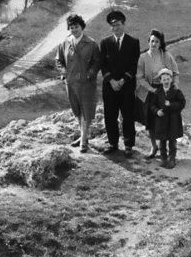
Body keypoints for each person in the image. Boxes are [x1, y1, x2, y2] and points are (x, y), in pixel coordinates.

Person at [55, 13, 101, 152]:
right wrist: (63, 73)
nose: (74, 30)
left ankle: (83, 142)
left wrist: (89, 74)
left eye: (76, 27)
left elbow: (97, 62)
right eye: (71, 27)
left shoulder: (91, 44)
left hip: (86, 84)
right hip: (71, 83)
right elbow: (58, 61)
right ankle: (83, 136)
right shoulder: (65, 43)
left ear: (82, 27)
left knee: (86, 110)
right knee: (76, 110)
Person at [99, 9, 141, 155]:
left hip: (127, 86)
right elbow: (102, 65)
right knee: (110, 115)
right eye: (112, 26)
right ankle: (113, 143)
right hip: (110, 87)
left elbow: (134, 65)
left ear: (124, 24)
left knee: (128, 115)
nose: (115, 28)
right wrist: (111, 81)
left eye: (117, 25)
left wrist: (122, 80)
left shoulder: (133, 42)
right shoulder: (105, 43)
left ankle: (128, 145)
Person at [136, 29, 179, 159]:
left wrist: (174, 88)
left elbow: (175, 73)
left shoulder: (166, 56)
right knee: (150, 120)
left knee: (165, 119)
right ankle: (154, 146)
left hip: (165, 90)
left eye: (157, 42)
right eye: (152, 41)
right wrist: (151, 89)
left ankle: (165, 149)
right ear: (148, 42)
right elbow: (140, 77)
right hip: (150, 91)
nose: (154, 44)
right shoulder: (143, 58)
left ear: (160, 44)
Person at [150, 68, 185, 167]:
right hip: (161, 121)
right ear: (160, 81)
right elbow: (152, 105)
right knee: (162, 141)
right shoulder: (157, 92)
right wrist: (157, 111)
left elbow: (182, 103)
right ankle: (163, 158)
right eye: (164, 79)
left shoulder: (176, 91)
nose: (166, 81)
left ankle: (172, 159)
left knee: (172, 141)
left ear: (171, 79)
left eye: (168, 79)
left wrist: (171, 104)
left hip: (173, 120)